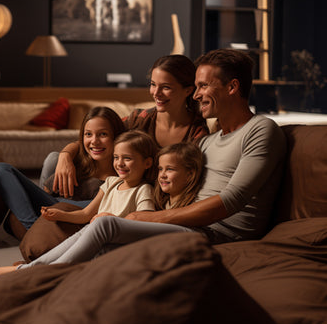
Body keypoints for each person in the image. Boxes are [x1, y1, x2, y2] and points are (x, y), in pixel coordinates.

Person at [31, 48, 286, 252]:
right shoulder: (208, 141)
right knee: (99, 222)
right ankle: (34, 268)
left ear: (232, 87)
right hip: (179, 219)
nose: (196, 95)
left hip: (217, 234)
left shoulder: (260, 130)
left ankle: (34, 270)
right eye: (196, 87)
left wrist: (150, 217)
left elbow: (231, 200)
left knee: (105, 225)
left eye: (203, 86)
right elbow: (103, 136)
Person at [0, 130, 157, 277]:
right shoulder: (111, 182)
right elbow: (85, 214)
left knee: (74, 255)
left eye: (127, 158)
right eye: (116, 157)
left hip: (111, 244)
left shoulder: (143, 190)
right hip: (91, 234)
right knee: (73, 243)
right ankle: (33, 267)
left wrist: (114, 219)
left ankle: (29, 269)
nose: (119, 163)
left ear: (147, 163)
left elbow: (144, 223)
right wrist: (60, 214)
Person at [48, 54, 209, 198]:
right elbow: (97, 139)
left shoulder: (197, 134)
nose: (156, 93)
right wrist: (65, 156)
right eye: (153, 84)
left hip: (141, 199)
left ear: (188, 90)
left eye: (165, 87)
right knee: (53, 159)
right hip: (117, 188)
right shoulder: (138, 119)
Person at [0, 106, 125, 235]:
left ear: (117, 136)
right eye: (88, 134)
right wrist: (65, 155)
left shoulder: (123, 174)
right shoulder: (78, 162)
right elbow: (47, 192)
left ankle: (32, 230)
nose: (94, 141)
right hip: (52, 205)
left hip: (75, 213)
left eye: (103, 134)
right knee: (2, 169)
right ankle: (32, 229)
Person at [153, 142, 204, 211]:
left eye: (169, 169)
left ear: (189, 175)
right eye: (160, 169)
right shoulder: (163, 204)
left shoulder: (191, 207)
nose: (162, 175)